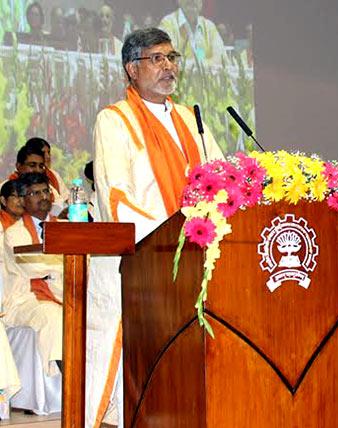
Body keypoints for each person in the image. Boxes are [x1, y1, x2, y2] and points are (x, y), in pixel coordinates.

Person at [91, 27, 223, 427]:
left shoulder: (189, 119)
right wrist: (174, 232)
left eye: (172, 57)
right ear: (132, 69)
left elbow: (220, 178)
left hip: (196, 256)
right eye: (156, 58)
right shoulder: (114, 121)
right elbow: (115, 195)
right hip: (141, 259)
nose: (168, 67)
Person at [2, 173, 63, 376]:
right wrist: (59, 263)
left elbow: (85, 261)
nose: (43, 196)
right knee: (53, 316)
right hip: (25, 299)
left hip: (65, 291)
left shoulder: (67, 229)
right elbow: (32, 268)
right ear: (23, 200)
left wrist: (53, 266)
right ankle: (71, 385)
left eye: (45, 191)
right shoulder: (14, 234)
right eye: (35, 193)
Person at [159, 0, 228, 67]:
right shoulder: (168, 24)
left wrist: (195, 66)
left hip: (207, 78)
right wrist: (205, 65)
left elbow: (220, 58)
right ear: (178, 1)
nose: (192, 0)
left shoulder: (209, 26)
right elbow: (170, 58)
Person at [25, 137, 69, 216]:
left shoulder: (53, 175)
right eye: (43, 153)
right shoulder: (15, 180)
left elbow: (66, 198)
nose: (48, 156)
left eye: (48, 152)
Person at [0, 180, 24, 306]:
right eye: (16, 196)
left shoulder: (31, 225)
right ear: (3, 201)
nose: (21, 200)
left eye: (23, 196)